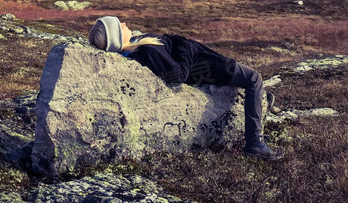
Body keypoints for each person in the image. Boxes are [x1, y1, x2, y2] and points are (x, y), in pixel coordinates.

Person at [88, 15, 283, 161]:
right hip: (208, 67)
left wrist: (175, 41)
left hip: (204, 62)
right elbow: (178, 75)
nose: (123, 23)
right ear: (116, 36)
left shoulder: (136, 46)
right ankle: (254, 144)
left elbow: (167, 49)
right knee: (254, 78)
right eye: (119, 25)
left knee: (253, 87)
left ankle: (261, 106)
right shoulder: (145, 51)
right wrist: (184, 44)